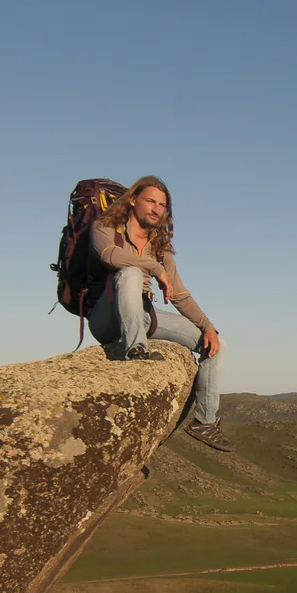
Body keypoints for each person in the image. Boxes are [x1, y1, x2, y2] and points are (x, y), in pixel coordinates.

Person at [86, 175, 234, 452]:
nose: (156, 209)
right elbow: (110, 257)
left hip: (141, 315)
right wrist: (154, 269)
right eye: (150, 201)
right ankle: (136, 351)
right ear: (132, 200)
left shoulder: (160, 247)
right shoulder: (105, 227)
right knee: (129, 273)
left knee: (216, 344)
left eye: (162, 205)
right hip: (107, 317)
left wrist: (209, 327)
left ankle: (205, 421)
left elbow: (179, 295)